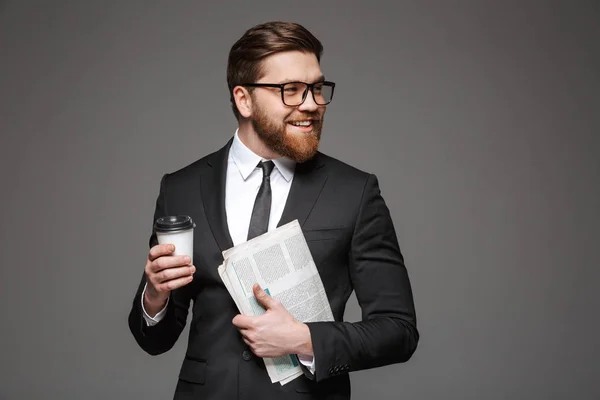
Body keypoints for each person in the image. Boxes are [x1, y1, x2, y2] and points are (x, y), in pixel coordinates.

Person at [128, 20, 418, 400]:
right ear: (244, 99)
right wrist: (154, 297)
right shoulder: (181, 188)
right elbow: (156, 340)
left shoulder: (355, 191)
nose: (312, 104)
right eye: (291, 91)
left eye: (316, 88)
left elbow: (399, 331)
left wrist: (306, 340)